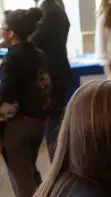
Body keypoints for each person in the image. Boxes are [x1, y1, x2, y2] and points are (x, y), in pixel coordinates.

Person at [0, 8, 47, 197]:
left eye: (3, 29)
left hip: (18, 124)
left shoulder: (11, 58)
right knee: (30, 171)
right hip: (37, 121)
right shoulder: (37, 53)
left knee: (21, 177)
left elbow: (6, 91)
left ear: (12, 33)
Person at [30, 0, 71, 161]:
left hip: (50, 74)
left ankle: (57, 162)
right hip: (60, 69)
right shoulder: (58, 6)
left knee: (52, 121)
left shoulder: (47, 9)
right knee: (57, 119)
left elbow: (34, 39)